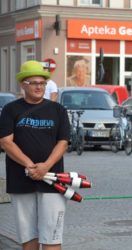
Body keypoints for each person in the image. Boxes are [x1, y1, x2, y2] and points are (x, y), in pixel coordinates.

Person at [0, 60, 70, 250]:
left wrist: (45, 166)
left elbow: (63, 142)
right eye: (34, 83)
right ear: (23, 84)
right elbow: (6, 141)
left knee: (52, 236)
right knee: (28, 238)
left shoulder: (58, 110)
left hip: (52, 179)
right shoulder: (11, 109)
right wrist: (30, 166)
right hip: (21, 179)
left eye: (42, 83)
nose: (39, 87)